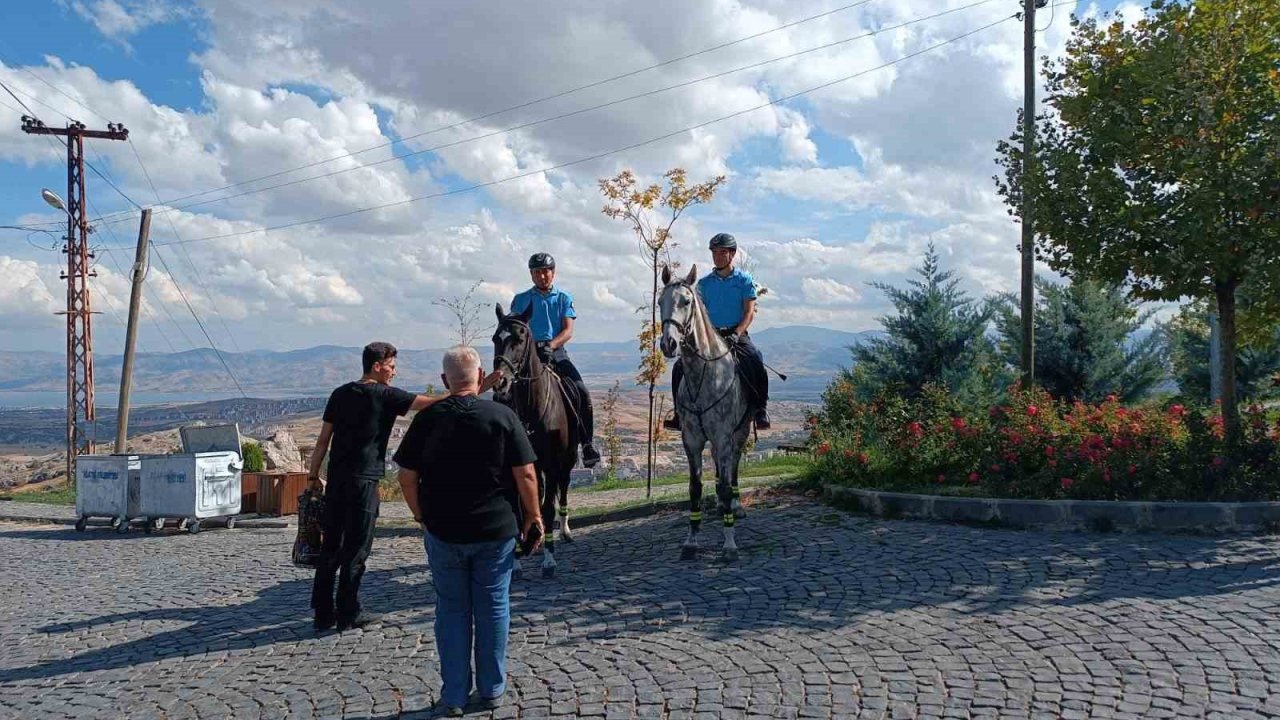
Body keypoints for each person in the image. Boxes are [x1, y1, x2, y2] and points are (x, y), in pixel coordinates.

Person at [394, 345, 542, 718]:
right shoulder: (501, 415)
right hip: (495, 531)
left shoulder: (427, 420)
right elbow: (525, 474)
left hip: (444, 530)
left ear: (445, 380)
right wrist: (534, 516)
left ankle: (455, 695)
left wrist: (420, 516)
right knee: (493, 607)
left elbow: (406, 477)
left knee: (451, 611)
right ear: (480, 377)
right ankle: (491, 689)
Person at [308, 341, 447, 632]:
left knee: (331, 546)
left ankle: (322, 612)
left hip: (336, 480)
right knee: (357, 548)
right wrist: (471, 388)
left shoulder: (340, 393)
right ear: (378, 365)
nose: (394, 373)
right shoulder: (384, 395)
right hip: (363, 481)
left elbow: (323, 441)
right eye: (392, 367)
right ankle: (348, 611)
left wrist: (312, 477)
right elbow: (429, 403)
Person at [664, 232, 770, 430]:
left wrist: (737, 333)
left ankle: (760, 410)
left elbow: (749, 312)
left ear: (732, 254)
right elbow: (698, 315)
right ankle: (679, 413)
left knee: (755, 358)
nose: (717, 256)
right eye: (714, 252)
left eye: (722, 252)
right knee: (680, 366)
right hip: (710, 337)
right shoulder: (704, 284)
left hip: (736, 334)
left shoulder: (744, 280)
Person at [509, 252, 602, 467]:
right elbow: (515, 328)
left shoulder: (563, 298)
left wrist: (550, 346)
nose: (542, 276)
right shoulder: (521, 299)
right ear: (531, 274)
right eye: (537, 272)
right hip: (527, 354)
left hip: (556, 351)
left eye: (545, 272)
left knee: (581, 391)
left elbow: (568, 330)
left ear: (553, 272)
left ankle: (587, 444)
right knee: (503, 394)